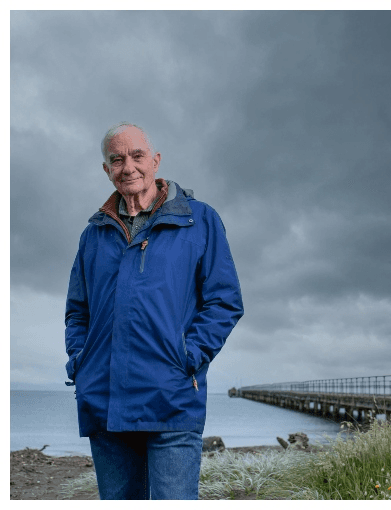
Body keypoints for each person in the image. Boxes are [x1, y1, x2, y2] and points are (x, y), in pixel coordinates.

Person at [64, 122, 244, 499]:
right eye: (117, 159)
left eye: (137, 156)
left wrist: (188, 357)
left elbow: (224, 301)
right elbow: (77, 311)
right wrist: (80, 360)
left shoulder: (200, 220)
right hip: (105, 401)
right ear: (106, 169)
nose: (128, 166)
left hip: (172, 399)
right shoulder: (93, 234)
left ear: (156, 161)